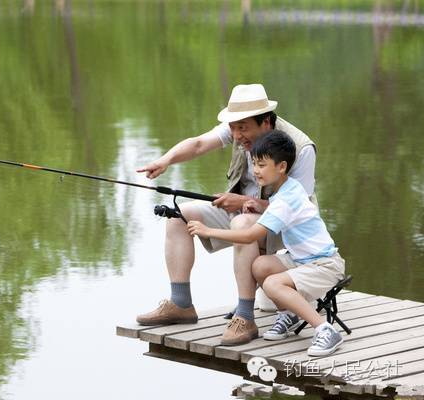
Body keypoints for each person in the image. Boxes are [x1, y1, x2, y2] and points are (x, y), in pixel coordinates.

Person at [135, 84, 317, 345]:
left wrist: (243, 201)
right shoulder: (239, 128)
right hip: (242, 212)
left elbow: (298, 210)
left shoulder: (301, 148)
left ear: (265, 122)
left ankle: (244, 317)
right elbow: (198, 144)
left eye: (242, 128)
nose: (236, 134)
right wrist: (165, 160)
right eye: (233, 127)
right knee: (178, 215)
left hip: (288, 226)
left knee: (242, 222)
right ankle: (181, 304)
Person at [187, 130, 345, 356]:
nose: (255, 171)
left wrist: (208, 230)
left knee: (272, 284)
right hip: (303, 260)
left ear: (281, 167)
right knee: (260, 266)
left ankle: (326, 330)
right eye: (254, 164)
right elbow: (279, 207)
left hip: (325, 266)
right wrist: (260, 206)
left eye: (261, 165)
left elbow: (250, 236)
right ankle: (289, 314)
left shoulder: (286, 198)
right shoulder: (287, 188)